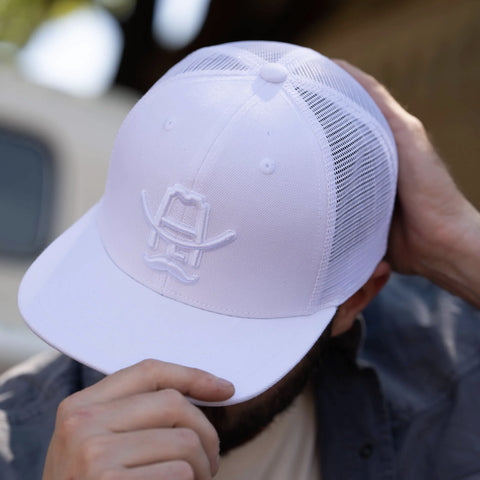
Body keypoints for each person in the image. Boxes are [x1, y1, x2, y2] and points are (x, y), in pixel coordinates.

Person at [1, 42, 479, 480]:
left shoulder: (449, 374)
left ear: (356, 300)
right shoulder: (14, 445)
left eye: (212, 340)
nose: (156, 368)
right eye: (132, 307)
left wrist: (457, 242)